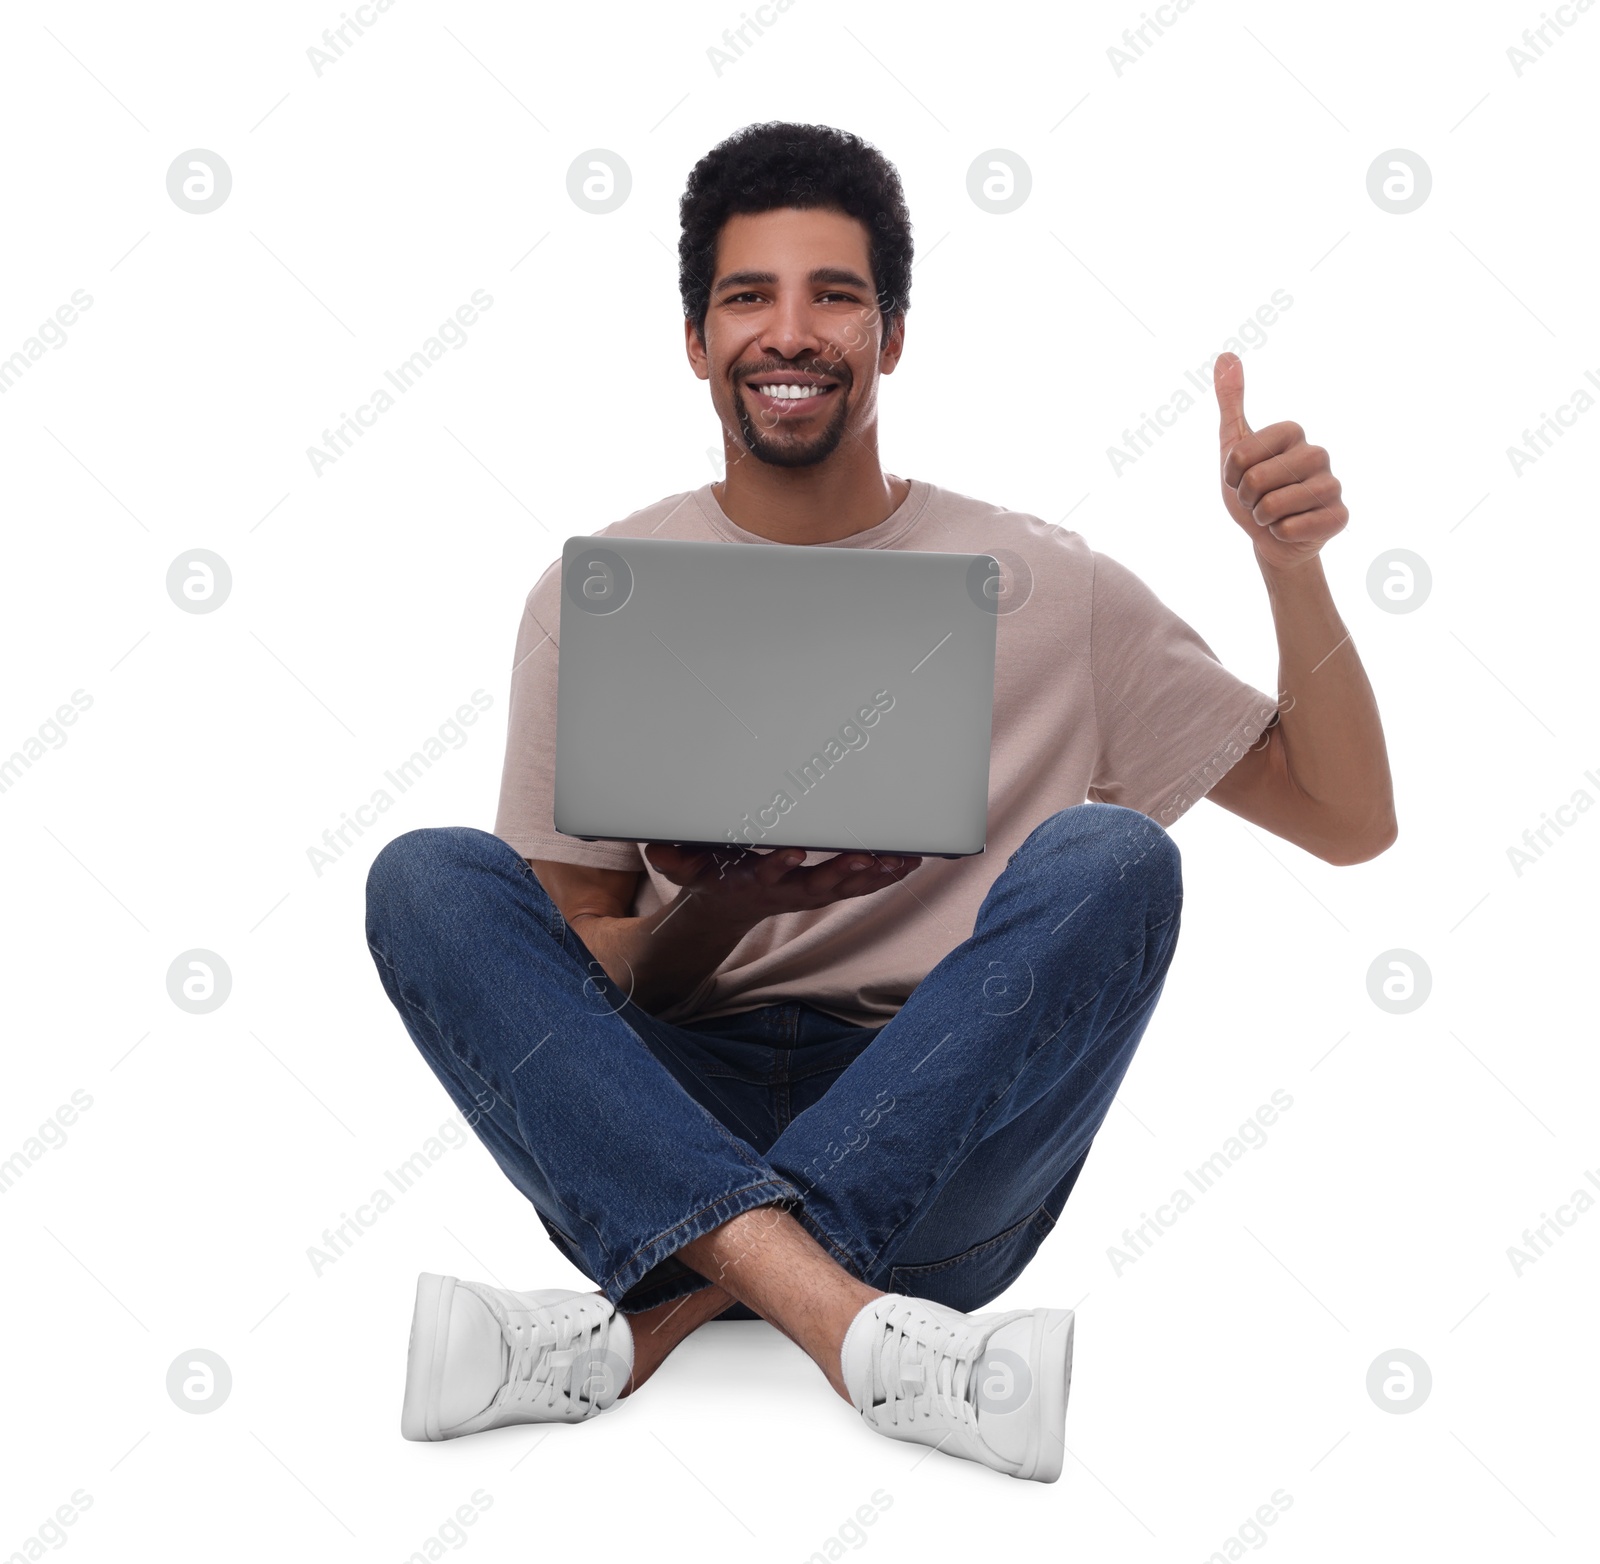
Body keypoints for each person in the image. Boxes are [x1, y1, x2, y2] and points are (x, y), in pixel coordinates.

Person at [364, 121, 1395, 1482]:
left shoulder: (1049, 584)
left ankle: (646, 1326)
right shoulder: (597, 599)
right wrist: (719, 913)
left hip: (942, 1135)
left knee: (1113, 856)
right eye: (748, 296)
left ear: (892, 334)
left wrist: (1290, 572)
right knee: (428, 877)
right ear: (694, 339)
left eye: (835, 295)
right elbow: (578, 977)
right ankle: (860, 1336)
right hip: (659, 1120)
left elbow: (1345, 818)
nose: (792, 332)